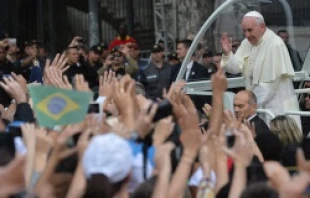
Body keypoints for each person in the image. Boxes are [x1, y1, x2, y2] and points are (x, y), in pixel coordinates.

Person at [220, 11, 301, 127]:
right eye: (244, 31)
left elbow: (267, 86)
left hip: (276, 106)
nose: (247, 35)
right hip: (256, 105)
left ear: (262, 27)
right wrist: (228, 53)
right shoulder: (247, 43)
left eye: (250, 30)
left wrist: (248, 105)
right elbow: (235, 68)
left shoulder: (275, 44)